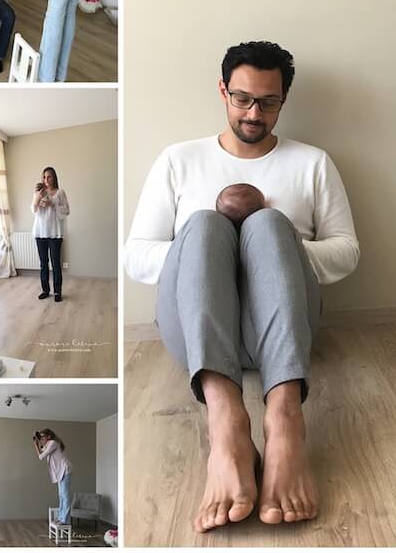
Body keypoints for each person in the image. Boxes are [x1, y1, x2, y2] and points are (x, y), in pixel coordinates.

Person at [126, 41, 360, 532]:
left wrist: (278, 247)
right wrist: (209, 250)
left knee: (271, 225)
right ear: (223, 91)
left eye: (268, 102)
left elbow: (346, 252)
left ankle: (283, 419)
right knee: (208, 225)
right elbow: (136, 255)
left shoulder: (312, 162)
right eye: (242, 99)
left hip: (282, 334)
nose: (254, 113)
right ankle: (227, 421)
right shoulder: (179, 159)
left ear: (283, 100)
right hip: (198, 335)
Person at [31, 167, 70, 302]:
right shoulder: (38, 193)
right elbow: (33, 209)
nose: (46, 180)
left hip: (55, 233)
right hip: (40, 232)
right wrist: (38, 197)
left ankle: (57, 291)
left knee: (55, 263)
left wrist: (51, 204)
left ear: (54, 178)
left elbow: (66, 210)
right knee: (43, 263)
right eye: (44, 177)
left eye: (49, 177)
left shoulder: (60, 192)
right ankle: (45, 290)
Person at [33, 429, 73, 525]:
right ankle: (61, 517)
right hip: (60, 472)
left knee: (65, 496)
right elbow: (41, 450)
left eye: (43, 437)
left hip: (65, 470)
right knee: (61, 495)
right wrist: (37, 441)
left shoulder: (53, 443)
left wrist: (35, 444)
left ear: (49, 436)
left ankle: (65, 520)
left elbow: (41, 456)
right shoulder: (48, 445)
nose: (41, 438)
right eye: (41, 437)